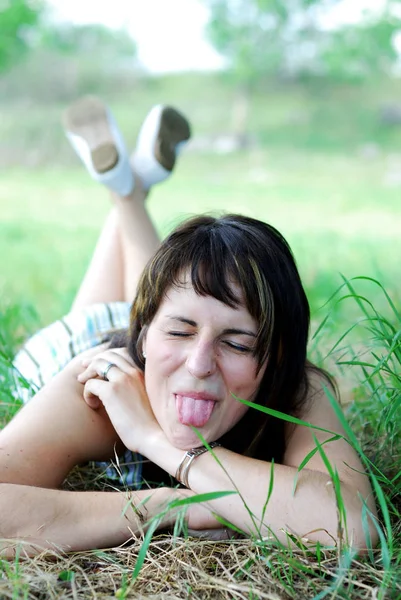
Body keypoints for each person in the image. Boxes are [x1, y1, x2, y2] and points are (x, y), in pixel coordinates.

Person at [0, 97, 378, 557]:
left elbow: (351, 526)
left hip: (150, 319)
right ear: (143, 337)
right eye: (179, 334)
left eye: (237, 343)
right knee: (168, 299)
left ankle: (126, 188)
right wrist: (168, 507)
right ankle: (127, 190)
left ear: (275, 356)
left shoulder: (297, 388)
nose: (200, 365)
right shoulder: (99, 387)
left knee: (181, 295)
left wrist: (160, 444)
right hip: (79, 339)